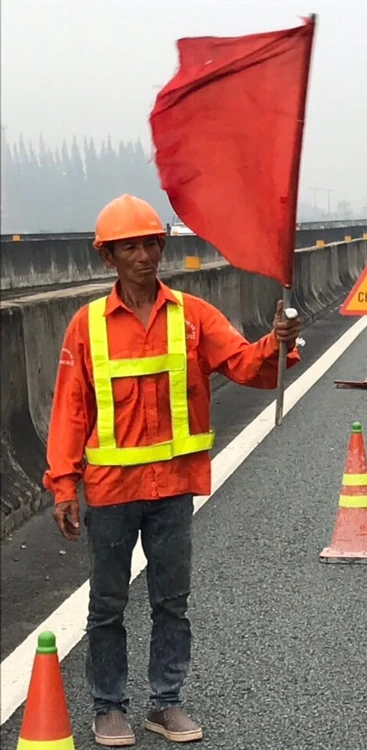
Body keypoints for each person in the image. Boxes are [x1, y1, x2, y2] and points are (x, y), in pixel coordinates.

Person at [44, 194, 303, 747]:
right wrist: (64, 484)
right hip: (111, 492)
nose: (144, 255)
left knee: (171, 602)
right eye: (129, 247)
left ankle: (166, 702)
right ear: (108, 258)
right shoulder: (86, 327)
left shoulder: (192, 317)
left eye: (151, 244)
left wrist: (277, 345)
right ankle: (108, 706)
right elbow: (70, 409)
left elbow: (243, 363)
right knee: (107, 605)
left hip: (173, 490)